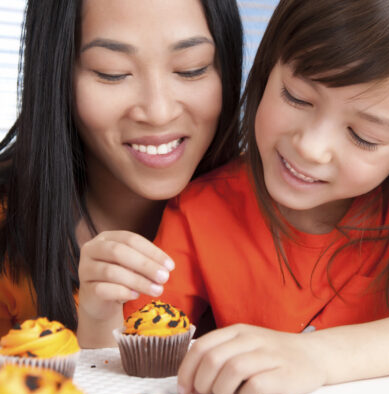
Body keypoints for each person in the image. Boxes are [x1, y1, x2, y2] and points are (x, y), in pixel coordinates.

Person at [85, 0, 389, 394]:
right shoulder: (200, 211)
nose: (311, 147)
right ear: (268, 71)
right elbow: (134, 361)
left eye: (363, 137)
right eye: (297, 98)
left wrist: (314, 356)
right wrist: (100, 313)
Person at [0, 0, 243, 341]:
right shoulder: (8, 221)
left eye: (192, 68)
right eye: (112, 72)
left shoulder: (277, 207)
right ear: (57, 75)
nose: (158, 112)